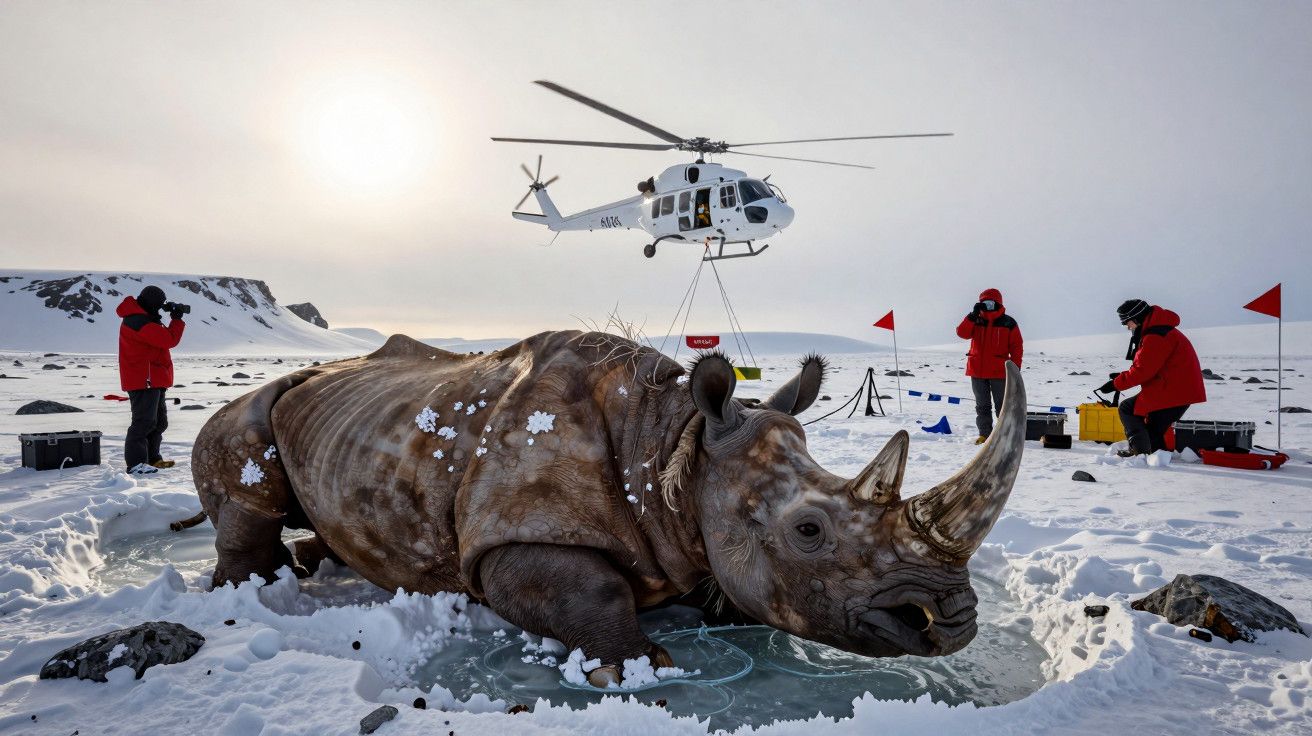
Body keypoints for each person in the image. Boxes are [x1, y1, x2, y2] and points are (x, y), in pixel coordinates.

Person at [1098, 299, 1205, 457]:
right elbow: (1148, 366)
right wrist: (1122, 377)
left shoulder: (1155, 336)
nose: (1128, 327)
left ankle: (1141, 454)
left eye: (1128, 323)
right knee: (1153, 428)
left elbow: (1143, 371)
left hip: (1172, 391)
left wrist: (1115, 384)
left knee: (1128, 409)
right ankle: (1152, 455)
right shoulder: (1159, 331)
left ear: (1137, 318)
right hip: (1175, 389)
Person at [117, 285, 186, 474]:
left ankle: (152, 459)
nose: (160, 308)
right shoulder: (138, 320)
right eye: (159, 304)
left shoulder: (144, 318)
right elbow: (167, 340)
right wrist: (177, 320)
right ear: (152, 303)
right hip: (143, 380)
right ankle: (136, 464)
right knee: (143, 423)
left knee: (159, 423)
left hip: (152, 379)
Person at [956, 288, 1023, 444]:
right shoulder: (975, 320)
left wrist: (1015, 369)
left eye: (991, 303)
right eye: (984, 303)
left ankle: (1004, 436)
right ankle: (985, 435)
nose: (988, 306)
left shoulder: (1008, 322)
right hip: (977, 371)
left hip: (999, 372)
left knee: (1002, 407)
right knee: (982, 406)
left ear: (998, 303)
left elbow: (1016, 346)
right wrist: (972, 316)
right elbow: (962, 333)